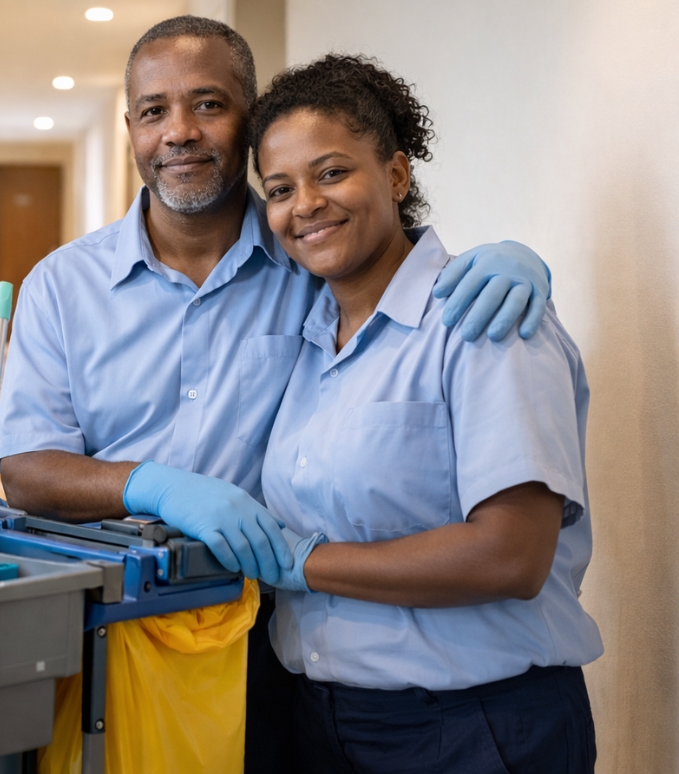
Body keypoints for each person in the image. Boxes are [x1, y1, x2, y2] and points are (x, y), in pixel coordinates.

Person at [0, 15, 554, 771]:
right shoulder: (63, 286)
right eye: (155, 110)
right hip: (115, 629)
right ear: (131, 127)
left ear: (247, 118)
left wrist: (510, 258)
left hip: (271, 643)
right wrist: (152, 487)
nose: (180, 131)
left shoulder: (312, 262)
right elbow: (27, 468)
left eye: (209, 104)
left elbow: (401, 271)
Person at [252, 54, 601, 773]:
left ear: (398, 175)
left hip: (477, 729)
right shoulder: (309, 340)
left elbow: (511, 555)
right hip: (323, 721)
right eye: (280, 188)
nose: (305, 204)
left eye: (331, 172)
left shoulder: (484, 321)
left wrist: (305, 563)